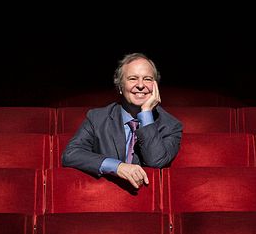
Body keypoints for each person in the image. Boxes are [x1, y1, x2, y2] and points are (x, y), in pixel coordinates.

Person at [62, 53, 183, 188]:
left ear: (156, 86)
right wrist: (117, 167)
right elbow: (70, 154)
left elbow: (155, 161)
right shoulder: (97, 118)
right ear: (120, 86)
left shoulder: (171, 125)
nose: (141, 85)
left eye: (148, 79)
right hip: (104, 196)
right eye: (133, 78)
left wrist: (146, 113)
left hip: (147, 200)